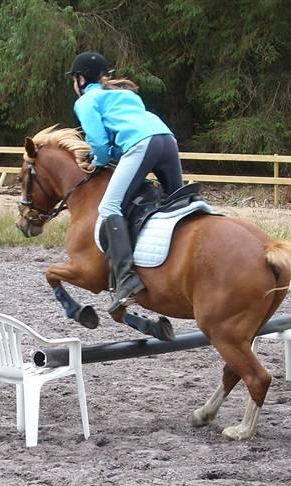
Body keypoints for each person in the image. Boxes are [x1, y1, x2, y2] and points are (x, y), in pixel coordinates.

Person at [67, 51, 184, 313]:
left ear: (81, 79)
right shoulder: (126, 94)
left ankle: (127, 280)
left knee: (109, 207)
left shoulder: (86, 101)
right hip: (166, 139)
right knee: (180, 202)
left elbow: (98, 141)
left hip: (141, 144)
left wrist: (97, 160)